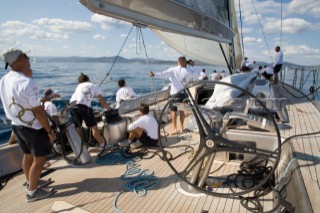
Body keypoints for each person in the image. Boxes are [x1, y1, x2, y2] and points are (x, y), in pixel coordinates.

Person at [0, 48, 56, 202]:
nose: (29, 58)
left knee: (28, 155)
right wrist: (49, 131)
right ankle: (32, 192)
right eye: (26, 56)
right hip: (33, 128)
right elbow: (38, 111)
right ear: (18, 60)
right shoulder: (27, 82)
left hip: (17, 126)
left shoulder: (4, 79)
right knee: (40, 159)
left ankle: (31, 181)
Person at [70, 73, 112, 149]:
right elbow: (101, 100)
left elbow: (84, 96)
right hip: (83, 106)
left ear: (79, 82)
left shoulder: (78, 86)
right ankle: (103, 145)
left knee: (77, 127)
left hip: (72, 106)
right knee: (94, 127)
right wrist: (108, 108)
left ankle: (82, 146)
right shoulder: (93, 85)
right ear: (88, 79)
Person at [149, 56, 189, 134]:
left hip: (174, 95)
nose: (186, 63)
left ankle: (174, 128)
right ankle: (182, 128)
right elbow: (189, 80)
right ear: (182, 62)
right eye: (186, 62)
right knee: (182, 111)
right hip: (183, 94)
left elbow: (163, 74)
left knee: (173, 111)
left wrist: (154, 74)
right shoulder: (186, 71)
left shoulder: (172, 69)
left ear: (178, 62)